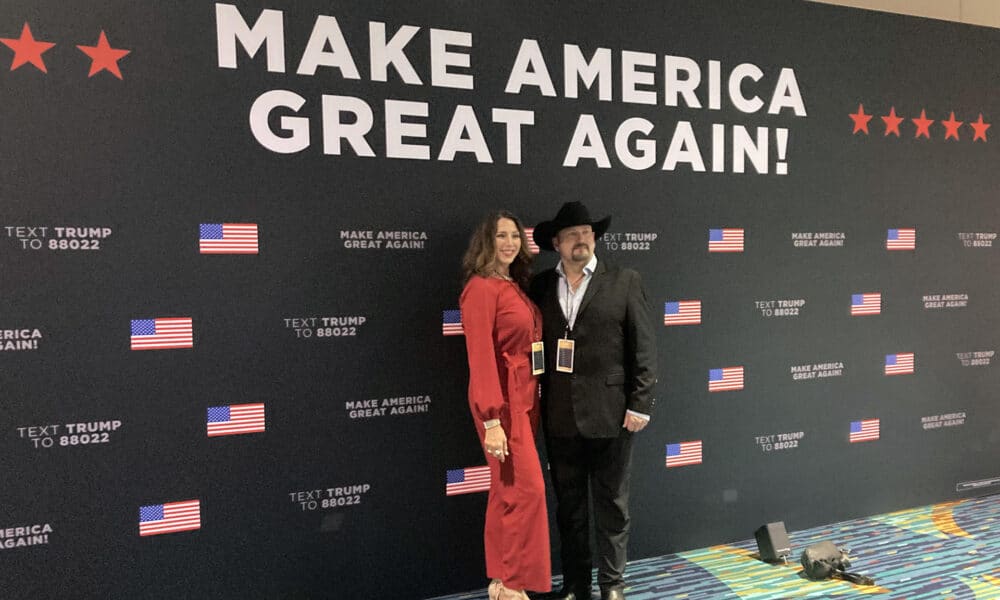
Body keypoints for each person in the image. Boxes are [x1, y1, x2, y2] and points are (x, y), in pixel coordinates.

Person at [529, 202, 657, 600]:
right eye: (571, 235)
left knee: (612, 508)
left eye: (586, 233)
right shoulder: (538, 287)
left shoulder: (624, 280)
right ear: (556, 243)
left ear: (595, 238)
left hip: (612, 416)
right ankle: (576, 584)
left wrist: (640, 404)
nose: (580, 240)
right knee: (569, 510)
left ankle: (612, 585)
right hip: (560, 418)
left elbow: (645, 349)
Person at [460, 211, 552, 600]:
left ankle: (500, 579)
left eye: (515, 235)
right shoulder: (480, 288)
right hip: (500, 403)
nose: (510, 243)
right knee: (526, 490)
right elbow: (480, 356)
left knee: (506, 489)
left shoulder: (513, 285)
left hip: (525, 398)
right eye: (501, 236)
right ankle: (513, 583)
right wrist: (491, 419)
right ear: (487, 241)